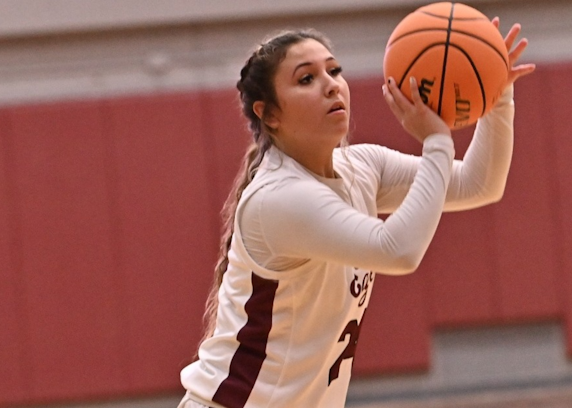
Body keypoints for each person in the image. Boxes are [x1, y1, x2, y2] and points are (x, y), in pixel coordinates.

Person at [179, 18, 535, 408]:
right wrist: (435, 141)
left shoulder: (362, 167)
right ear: (270, 114)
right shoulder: (279, 197)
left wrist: (497, 97)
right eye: (306, 79)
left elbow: (479, 183)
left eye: (334, 70)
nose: (331, 84)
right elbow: (398, 250)